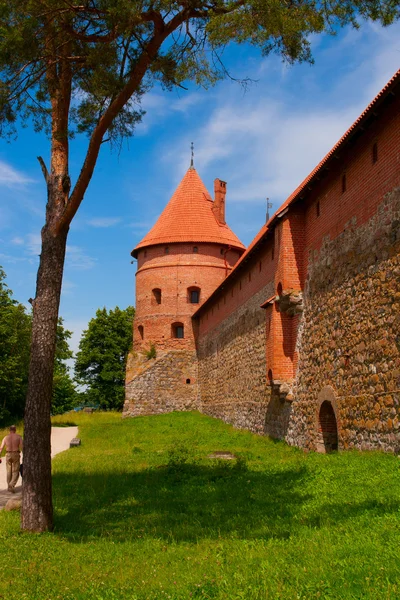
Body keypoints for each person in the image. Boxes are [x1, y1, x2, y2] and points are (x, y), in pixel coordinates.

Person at [0, 425, 23, 493]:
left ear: (9, 430)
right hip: (15, 454)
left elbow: (1, 448)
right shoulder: (18, 437)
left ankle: (9, 486)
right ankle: (11, 484)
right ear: (15, 430)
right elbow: (22, 447)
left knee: (8, 471)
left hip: (8, 454)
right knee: (16, 471)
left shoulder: (5, 437)